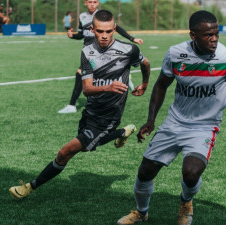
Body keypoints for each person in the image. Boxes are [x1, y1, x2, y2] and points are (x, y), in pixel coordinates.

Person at [117, 10, 226, 225]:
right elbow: (161, 86)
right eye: (208, 35)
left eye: (216, 33)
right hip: (174, 123)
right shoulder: (176, 54)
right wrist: (151, 120)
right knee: (145, 171)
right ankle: (141, 212)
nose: (214, 39)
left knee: (191, 171)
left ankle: (186, 202)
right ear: (193, 35)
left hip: (204, 127)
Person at [9, 10, 151, 200]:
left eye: (109, 31)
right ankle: (122, 132)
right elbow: (87, 89)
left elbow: (145, 62)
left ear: (114, 29)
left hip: (109, 114)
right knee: (85, 147)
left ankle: (29, 187)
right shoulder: (87, 51)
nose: (104, 35)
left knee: (65, 152)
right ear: (92, 29)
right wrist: (109, 86)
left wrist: (145, 83)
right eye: (100, 31)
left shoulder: (128, 50)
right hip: (90, 111)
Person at [58, 0, 144, 114]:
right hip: (88, 52)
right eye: (90, 2)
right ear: (85, 3)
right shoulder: (82, 16)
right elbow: (81, 34)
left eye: (94, 2)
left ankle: (72, 105)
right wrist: (72, 36)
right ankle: (124, 79)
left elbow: (117, 28)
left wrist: (132, 39)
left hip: (101, 51)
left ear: (98, 3)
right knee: (92, 78)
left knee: (81, 74)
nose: (92, 4)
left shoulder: (102, 16)